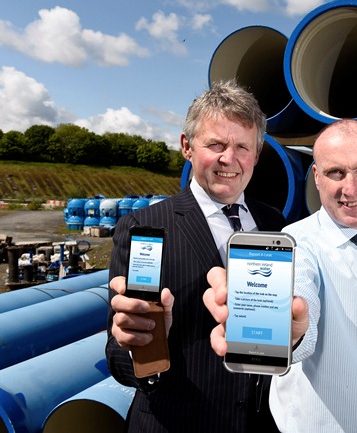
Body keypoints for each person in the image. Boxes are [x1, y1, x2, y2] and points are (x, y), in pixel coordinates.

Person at [204, 119, 357, 432]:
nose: (350, 187)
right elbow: (299, 312)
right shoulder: (296, 246)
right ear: (317, 177)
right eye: (336, 173)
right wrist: (289, 332)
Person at [105, 80, 287, 433]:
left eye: (242, 147)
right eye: (215, 144)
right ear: (187, 146)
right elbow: (117, 353)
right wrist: (142, 345)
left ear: (257, 154)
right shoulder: (145, 228)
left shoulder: (274, 223)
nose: (228, 159)